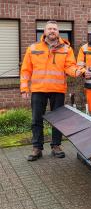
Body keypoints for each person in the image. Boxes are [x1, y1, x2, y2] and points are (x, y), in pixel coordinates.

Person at [21, 20, 82, 161]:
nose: (52, 31)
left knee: (58, 120)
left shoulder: (66, 49)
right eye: (49, 29)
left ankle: (56, 146)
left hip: (58, 89)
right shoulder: (33, 48)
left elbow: (70, 66)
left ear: (58, 31)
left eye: (54, 29)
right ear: (44, 32)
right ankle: (37, 148)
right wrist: (24, 88)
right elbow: (25, 70)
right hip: (38, 89)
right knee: (36, 119)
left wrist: (78, 72)